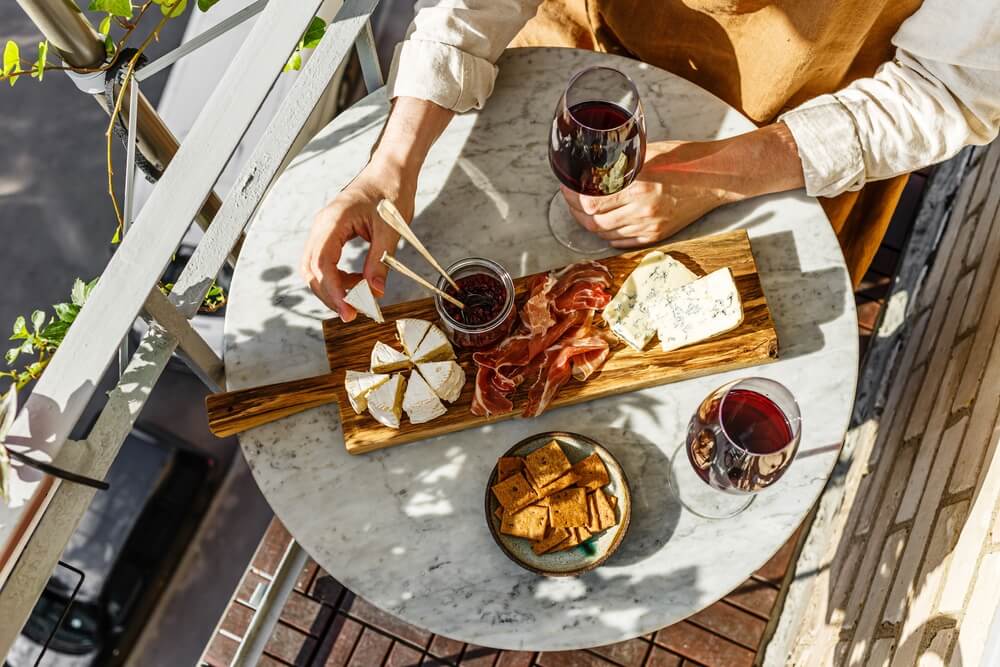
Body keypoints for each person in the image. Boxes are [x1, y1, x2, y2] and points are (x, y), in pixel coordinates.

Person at [301, 0, 1000, 321]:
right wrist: (391, 166)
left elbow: (948, 88)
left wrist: (722, 171)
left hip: (781, 141)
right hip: (583, 55)